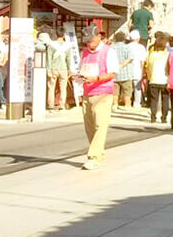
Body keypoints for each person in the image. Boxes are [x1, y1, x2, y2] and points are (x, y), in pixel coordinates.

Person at [74, 29, 119, 170]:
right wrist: (78, 76)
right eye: (87, 41)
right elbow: (80, 69)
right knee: (90, 127)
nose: (89, 43)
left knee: (100, 125)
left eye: (91, 40)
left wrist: (97, 78)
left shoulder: (108, 51)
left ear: (99, 36)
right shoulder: (85, 52)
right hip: (88, 93)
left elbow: (112, 73)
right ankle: (99, 155)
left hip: (103, 92)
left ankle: (93, 157)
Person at [143, 34, 171, 124]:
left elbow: (148, 67)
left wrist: (149, 77)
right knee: (165, 99)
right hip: (164, 79)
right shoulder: (167, 55)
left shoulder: (151, 55)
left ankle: (153, 117)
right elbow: (169, 67)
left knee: (154, 100)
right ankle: (164, 118)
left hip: (153, 79)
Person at [46, 29, 71, 110]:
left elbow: (48, 58)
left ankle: (51, 105)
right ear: (64, 35)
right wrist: (69, 69)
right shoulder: (67, 46)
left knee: (51, 87)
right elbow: (69, 59)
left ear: (56, 35)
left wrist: (48, 69)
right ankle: (62, 105)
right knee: (63, 88)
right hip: (63, 68)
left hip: (53, 68)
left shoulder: (51, 45)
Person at [110, 32, 134, 109]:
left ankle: (115, 105)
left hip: (114, 72)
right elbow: (130, 58)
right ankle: (127, 105)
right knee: (127, 91)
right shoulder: (127, 47)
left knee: (115, 91)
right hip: (126, 73)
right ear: (124, 38)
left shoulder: (111, 48)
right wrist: (121, 65)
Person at [128, 30, 148, 107]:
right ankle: (136, 103)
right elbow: (142, 61)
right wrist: (143, 71)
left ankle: (128, 102)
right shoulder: (141, 47)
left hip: (128, 70)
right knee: (137, 88)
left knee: (128, 88)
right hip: (137, 69)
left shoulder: (127, 46)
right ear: (138, 38)